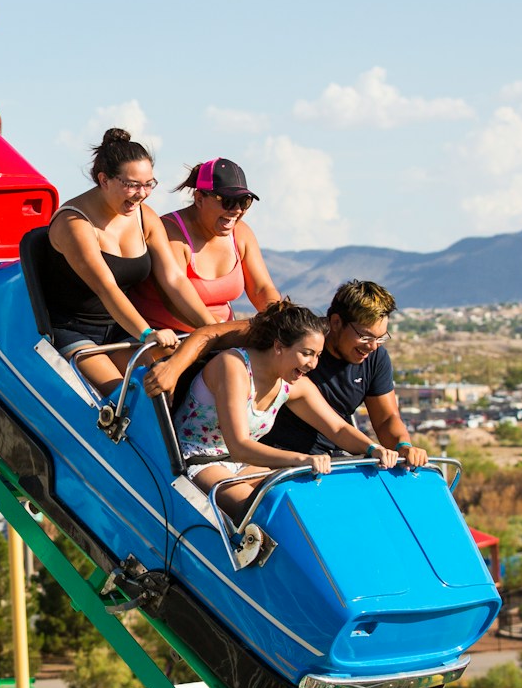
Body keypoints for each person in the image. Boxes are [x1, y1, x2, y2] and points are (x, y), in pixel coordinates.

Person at [147, 279, 431, 470]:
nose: (372, 346)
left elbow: (361, 423)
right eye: (365, 336)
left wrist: (383, 448)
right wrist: (174, 367)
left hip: (319, 461)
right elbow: (211, 334)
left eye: (381, 338)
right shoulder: (292, 333)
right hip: (259, 453)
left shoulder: (301, 380)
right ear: (335, 323)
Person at [174, 300, 399, 518]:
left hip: (240, 464)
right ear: (279, 346)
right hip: (200, 460)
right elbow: (240, 446)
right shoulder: (233, 366)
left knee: (303, 505)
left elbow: (338, 428)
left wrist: (372, 449)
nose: (313, 364)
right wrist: (301, 459)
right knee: (263, 513)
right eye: (307, 353)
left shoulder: (291, 383)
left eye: (318, 355)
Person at [39, 129, 219, 395]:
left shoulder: (145, 217)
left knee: (167, 384)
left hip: (119, 327)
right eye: (132, 184)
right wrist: (147, 334)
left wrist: (213, 330)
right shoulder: (74, 224)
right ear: (104, 180)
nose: (142, 193)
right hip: (74, 331)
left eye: (149, 184)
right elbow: (106, 288)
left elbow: (174, 280)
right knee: (122, 396)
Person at [130, 158, 281, 332]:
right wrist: (222, 331)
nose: (237, 210)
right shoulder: (171, 232)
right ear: (199, 199)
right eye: (227, 201)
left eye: (244, 201)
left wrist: (278, 320)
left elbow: (261, 289)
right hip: (169, 338)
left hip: (220, 335)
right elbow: (174, 298)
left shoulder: (241, 233)